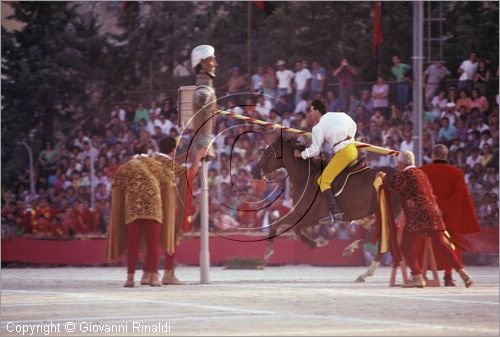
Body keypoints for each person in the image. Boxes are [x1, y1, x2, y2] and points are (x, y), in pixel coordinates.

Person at [106, 139, 203, 287]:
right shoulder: (157, 165)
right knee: (160, 241)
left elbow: (116, 183)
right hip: (157, 207)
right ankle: (162, 275)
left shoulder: (139, 163)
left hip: (133, 209)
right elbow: (182, 175)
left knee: (137, 243)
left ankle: (138, 276)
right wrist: (196, 160)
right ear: (173, 149)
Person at [376, 151, 474, 288]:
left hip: (417, 216)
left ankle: (417, 276)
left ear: (400, 163)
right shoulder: (422, 174)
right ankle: (464, 273)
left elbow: (390, 186)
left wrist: (381, 178)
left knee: (405, 245)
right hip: (433, 214)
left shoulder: (405, 175)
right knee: (442, 245)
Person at [419, 144, 480, 286]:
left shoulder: (422, 171)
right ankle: (448, 276)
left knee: (420, 240)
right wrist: (443, 210)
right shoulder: (456, 173)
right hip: (448, 217)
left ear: (433, 155)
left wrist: (432, 209)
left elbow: (419, 195)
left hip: (428, 215)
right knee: (451, 244)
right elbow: (460, 197)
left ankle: (419, 273)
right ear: (446, 156)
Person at [293, 99, 358, 224]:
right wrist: (350, 136)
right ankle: (350, 212)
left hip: (343, 153)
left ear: (317, 111)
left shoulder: (318, 127)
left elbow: (315, 151)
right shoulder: (340, 115)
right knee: (341, 181)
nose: (310, 113)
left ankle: (335, 213)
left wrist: (301, 154)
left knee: (322, 181)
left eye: (311, 110)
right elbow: (354, 124)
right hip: (353, 150)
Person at [191, 44, 218, 161]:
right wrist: (206, 102)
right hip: (202, 145)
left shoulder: (205, 88)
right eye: (212, 60)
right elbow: (202, 97)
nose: (216, 64)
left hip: (204, 142)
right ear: (202, 62)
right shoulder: (203, 89)